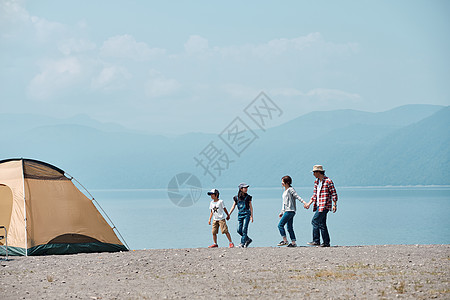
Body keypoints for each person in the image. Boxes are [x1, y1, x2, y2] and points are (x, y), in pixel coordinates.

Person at [304, 165, 338, 247]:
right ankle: (326, 243)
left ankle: (316, 241)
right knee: (322, 224)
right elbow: (315, 195)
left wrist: (334, 205)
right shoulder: (316, 182)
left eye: (314, 172)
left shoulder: (328, 181)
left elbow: (334, 194)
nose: (313, 174)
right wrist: (309, 203)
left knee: (314, 221)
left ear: (318, 172)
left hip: (325, 205)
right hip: (318, 205)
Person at [277, 175, 307, 247]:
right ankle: (293, 243)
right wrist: (281, 212)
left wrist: (304, 202)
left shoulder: (290, 190)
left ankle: (285, 240)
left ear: (287, 182)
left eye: (283, 182)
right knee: (289, 227)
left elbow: (297, 196)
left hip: (289, 211)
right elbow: (284, 203)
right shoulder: (285, 191)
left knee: (280, 225)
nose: (282, 183)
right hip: (288, 211)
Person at [229, 183, 253, 248]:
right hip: (240, 214)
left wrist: (251, 216)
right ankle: (248, 239)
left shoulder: (248, 197)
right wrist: (229, 214)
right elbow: (233, 206)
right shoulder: (236, 198)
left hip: (247, 214)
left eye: (247, 188)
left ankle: (242, 243)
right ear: (241, 189)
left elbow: (251, 207)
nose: (246, 189)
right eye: (245, 188)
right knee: (239, 230)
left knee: (244, 229)